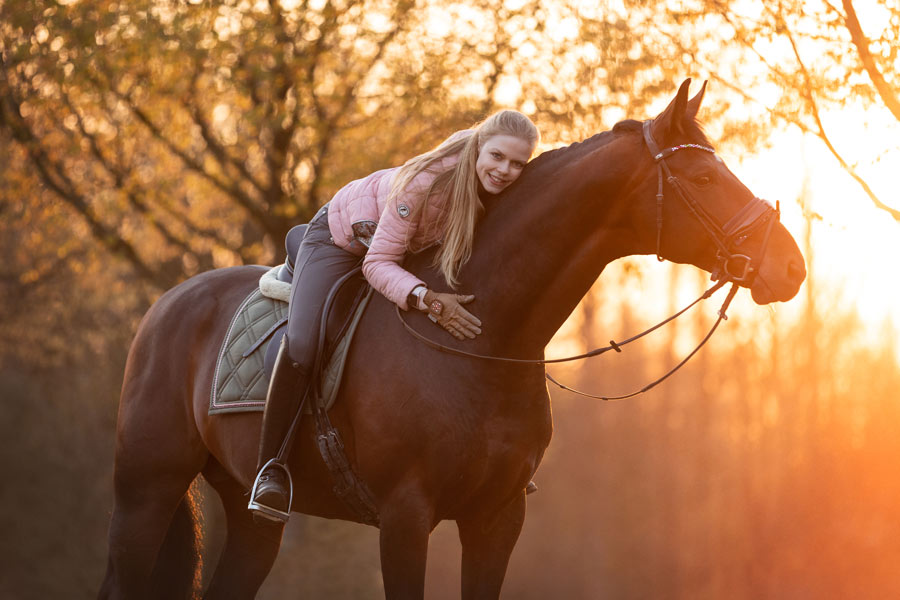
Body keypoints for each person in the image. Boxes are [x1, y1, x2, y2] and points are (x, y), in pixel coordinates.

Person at [248, 110, 540, 521]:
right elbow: (378, 262)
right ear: (478, 147)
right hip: (341, 242)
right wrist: (428, 300)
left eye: (517, 164)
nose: (505, 170)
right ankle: (270, 469)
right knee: (304, 344)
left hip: (410, 248)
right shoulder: (427, 185)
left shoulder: (500, 187)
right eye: (497, 157)